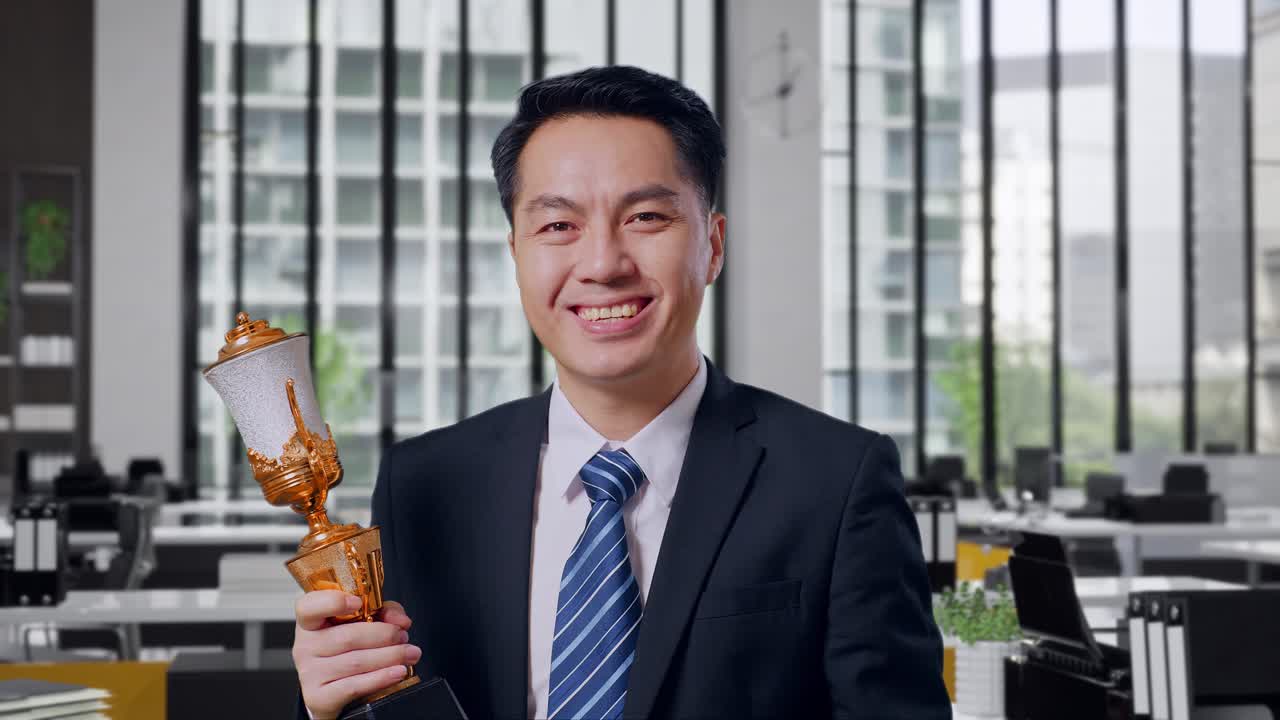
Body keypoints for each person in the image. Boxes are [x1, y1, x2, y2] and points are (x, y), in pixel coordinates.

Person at [292, 65, 950, 720]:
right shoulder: (424, 483)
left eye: (646, 217)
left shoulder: (835, 481)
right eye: (558, 227)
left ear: (713, 246)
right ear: (515, 253)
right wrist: (329, 706)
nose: (604, 264)